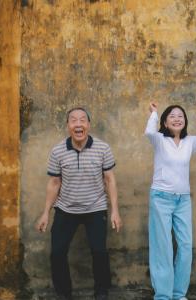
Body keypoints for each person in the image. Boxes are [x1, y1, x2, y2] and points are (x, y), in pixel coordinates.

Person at [36, 107, 122, 300]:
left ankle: (101, 292)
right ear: (68, 126)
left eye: (82, 120)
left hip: (96, 207)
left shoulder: (103, 148)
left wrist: (115, 211)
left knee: (99, 252)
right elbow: (54, 183)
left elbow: (110, 179)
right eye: (73, 120)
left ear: (88, 125)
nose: (78, 124)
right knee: (57, 253)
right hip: (66, 208)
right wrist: (45, 213)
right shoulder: (58, 151)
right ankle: (64, 293)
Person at [145, 94, 196, 299]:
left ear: (184, 121)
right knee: (163, 247)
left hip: (183, 200)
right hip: (160, 197)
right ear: (165, 122)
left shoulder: (190, 142)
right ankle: (163, 295)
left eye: (180, 116)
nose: (177, 118)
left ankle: (178, 293)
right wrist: (153, 114)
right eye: (172, 116)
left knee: (185, 246)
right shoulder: (159, 139)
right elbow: (149, 132)